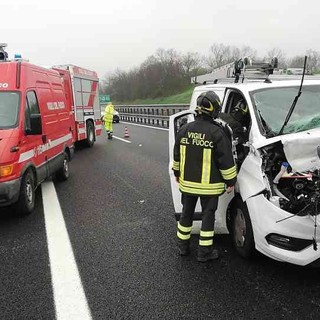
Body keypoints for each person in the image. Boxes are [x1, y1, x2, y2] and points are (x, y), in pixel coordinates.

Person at [172, 91, 237, 262]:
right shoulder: (217, 133)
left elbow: (177, 156)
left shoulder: (184, 129)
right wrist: (231, 181)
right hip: (209, 187)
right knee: (208, 216)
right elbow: (226, 161)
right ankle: (204, 252)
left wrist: (177, 174)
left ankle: (182, 246)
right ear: (214, 110)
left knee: (186, 214)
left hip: (187, 185)